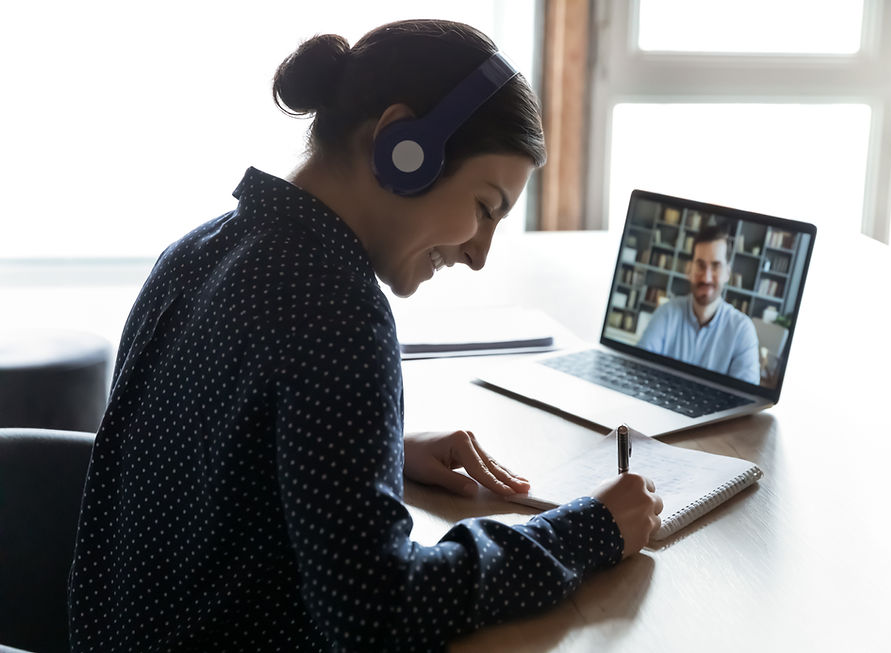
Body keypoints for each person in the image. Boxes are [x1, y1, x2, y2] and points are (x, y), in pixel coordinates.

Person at [68, 20, 663, 652]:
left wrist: (361, 455)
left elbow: (202, 451)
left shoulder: (199, 251)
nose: (480, 253)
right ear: (402, 146)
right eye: (486, 207)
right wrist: (588, 530)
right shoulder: (334, 307)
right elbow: (379, 610)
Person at [637, 224, 760, 384]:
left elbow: (745, 401)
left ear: (727, 273)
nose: (706, 278)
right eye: (700, 265)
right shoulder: (666, 313)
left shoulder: (742, 329)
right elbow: (637, 370)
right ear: (689, 269)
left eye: (716, 266)